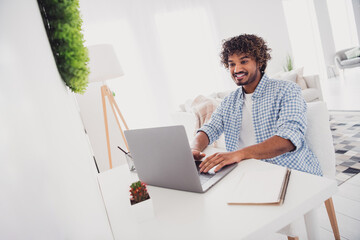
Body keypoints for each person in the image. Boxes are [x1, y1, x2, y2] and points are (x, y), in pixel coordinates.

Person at [191, 34, 322, 176]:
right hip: (246, 171)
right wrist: (194, 149)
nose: (236, 69)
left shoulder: (287, 90)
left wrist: (238, 154)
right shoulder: (229, 102)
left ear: (259, 62)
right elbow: (209, 129)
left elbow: (288, 139)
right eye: (232, 64)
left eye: (244, 61)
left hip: (289, 170)